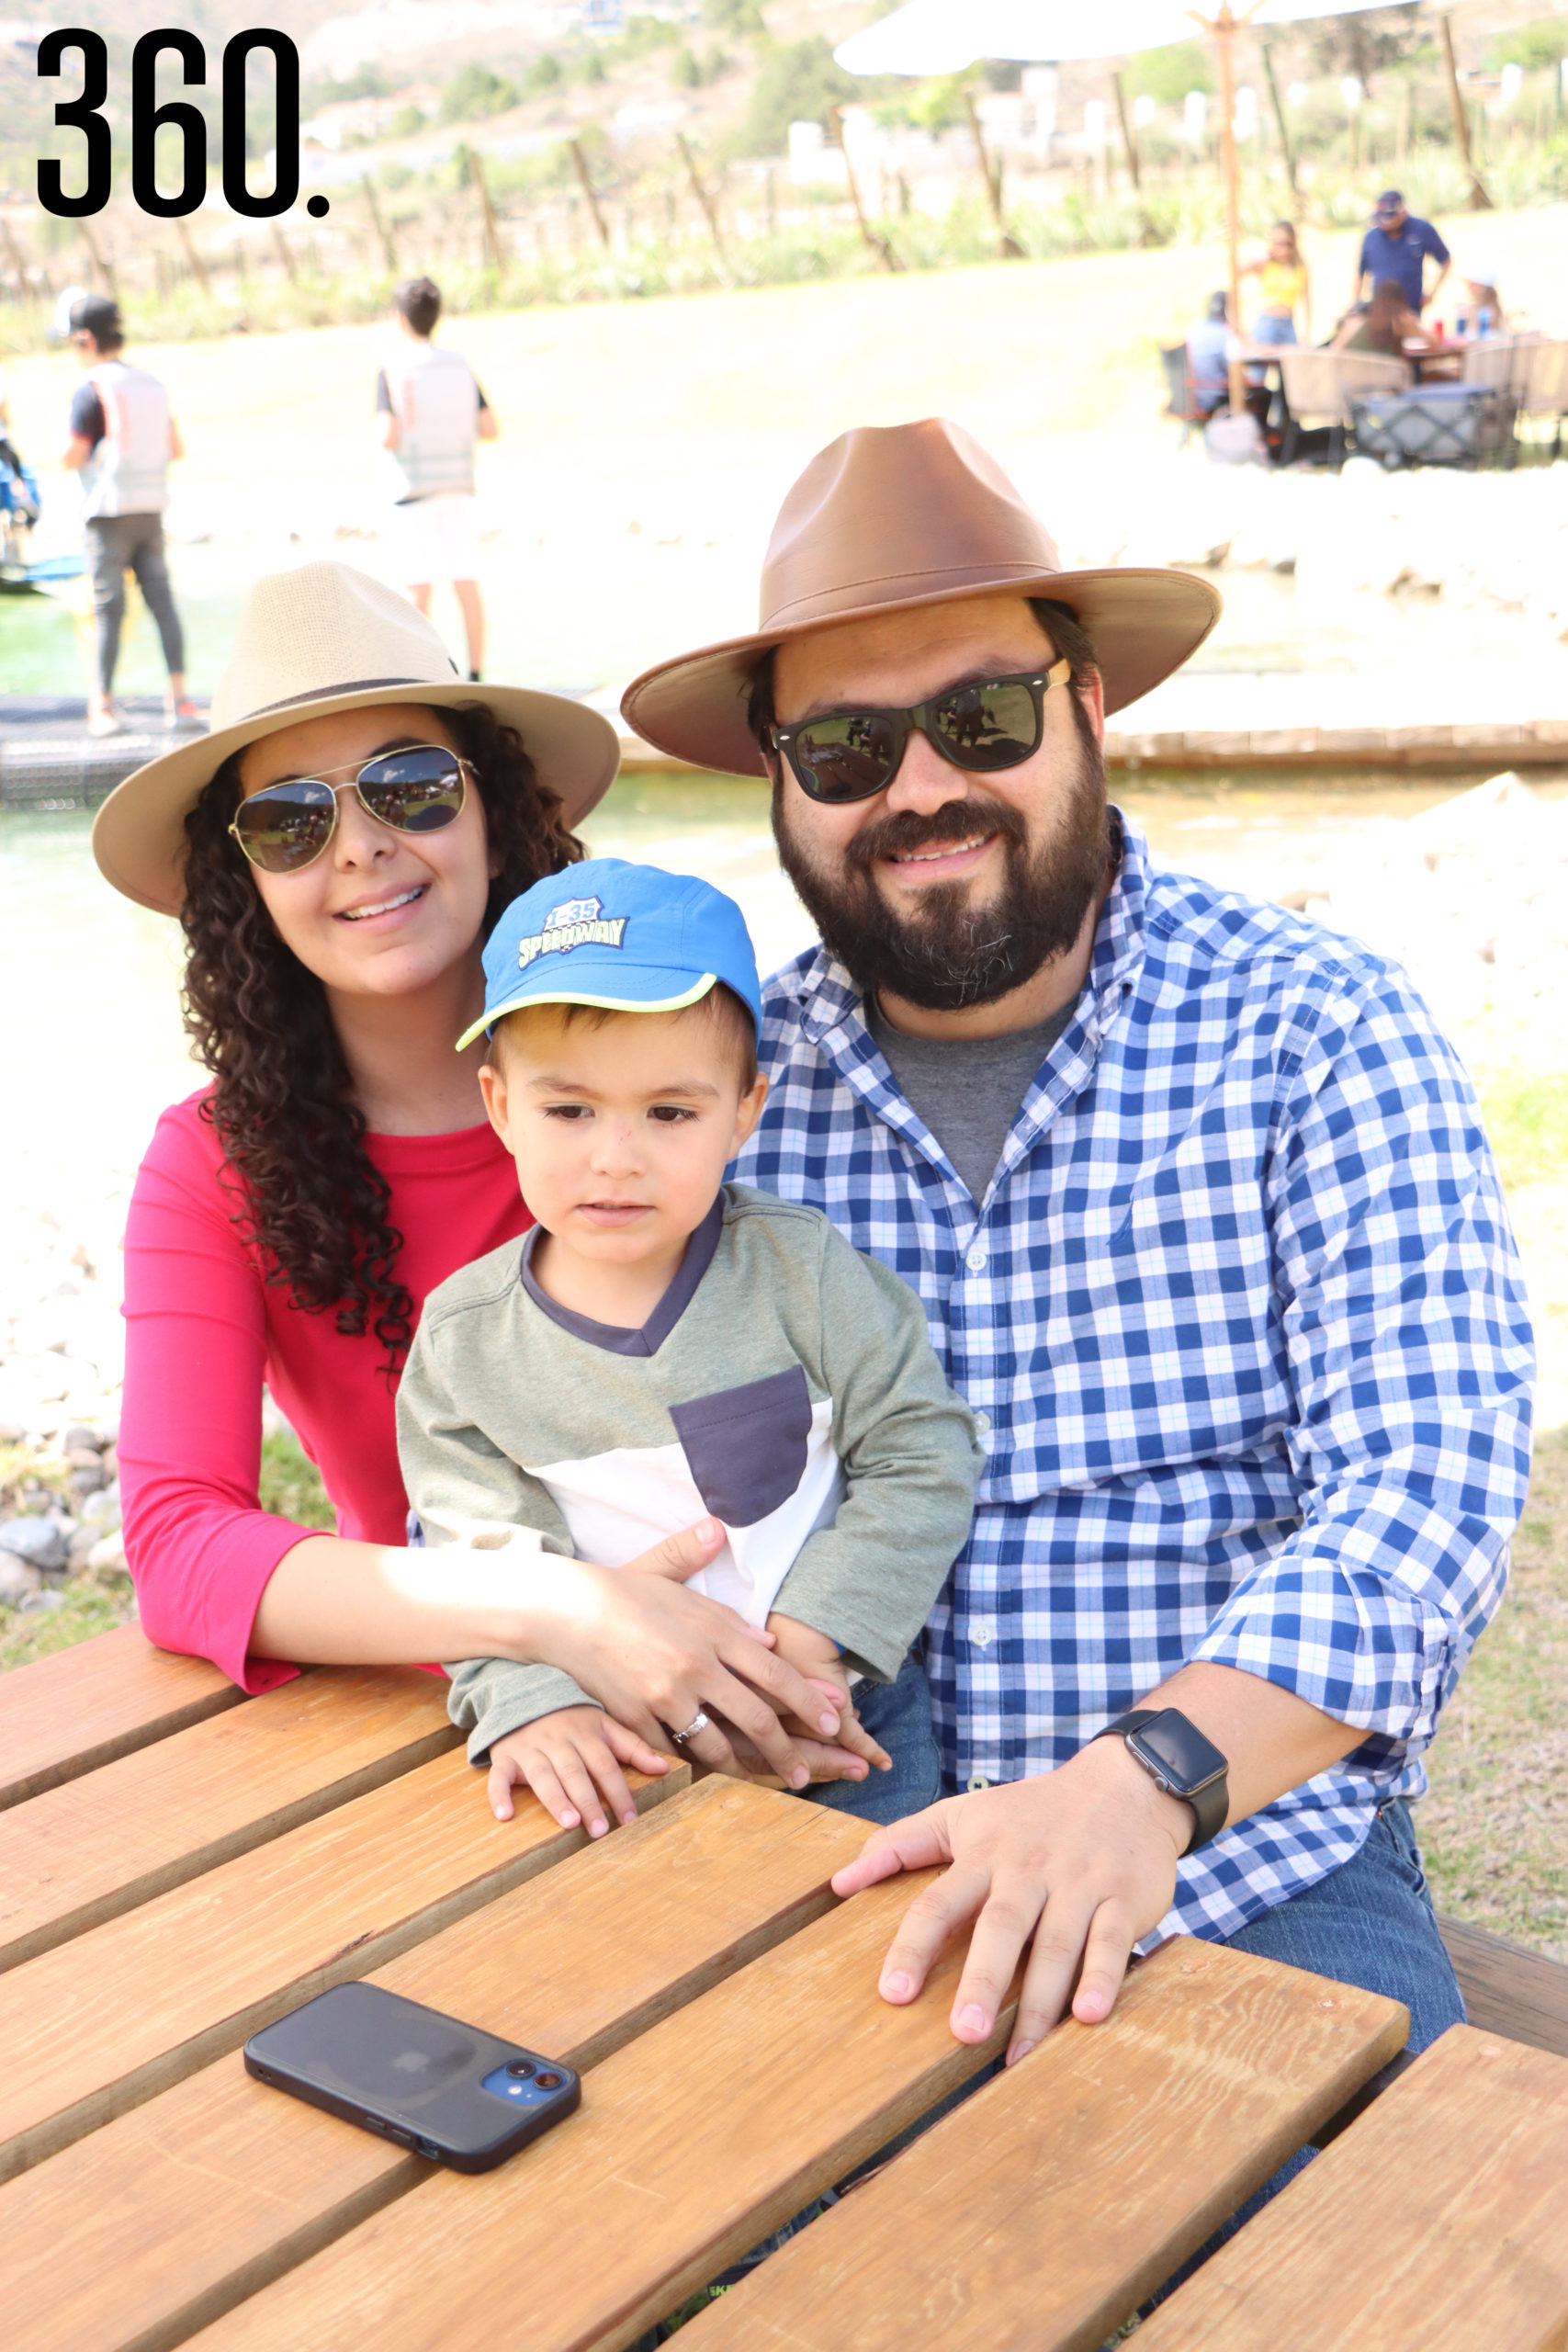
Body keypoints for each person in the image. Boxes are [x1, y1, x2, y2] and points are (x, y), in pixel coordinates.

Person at [621, 420, 1531, 2112]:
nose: (914, 790)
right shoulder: (718, 1101)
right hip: (826, 1862)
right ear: (775, 786)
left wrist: (1144, 1780)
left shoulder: (1313, 1031)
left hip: (1241, 1867)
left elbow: (1427, 1487)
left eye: (977, 719)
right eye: (838, 749)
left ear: (1087, 710)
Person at [94, 559, 868, 1801]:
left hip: (782, 1698)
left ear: (494, 807)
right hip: (467, 1739)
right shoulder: (207, 1169)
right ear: (243, 878)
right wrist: (554, 1614)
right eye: (290, 819)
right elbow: (180, 1543)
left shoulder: (697, 1062)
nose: (359, 849)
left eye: (409, 787)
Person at [397, 858, 981, 1837]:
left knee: (870, 1959)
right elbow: (476, 1563)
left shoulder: (804, 1274)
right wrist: (531, 1700)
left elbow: (926, 1446)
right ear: (500, 1105)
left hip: (833, 1713)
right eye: (569, 1109)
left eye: (669, 1112)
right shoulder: (468, 1346)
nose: (615, 1156)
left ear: (743, 1111)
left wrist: (819, 1631)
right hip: (612, 1740)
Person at [62, 295, 195, 740]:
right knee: (162, 602)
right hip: (151, 508)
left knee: (107, 608)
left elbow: (75, 454)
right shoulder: (152, 385)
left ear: (86, 339)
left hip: (107, 512)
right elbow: (176, 449)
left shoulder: (91, 389)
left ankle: (102, 706)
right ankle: (180, 699)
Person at [378, 276, 497, 683]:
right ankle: (477, 675)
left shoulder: (393, 368)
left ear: (399, 317)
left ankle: (422, 677)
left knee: (418, 589)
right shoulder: (460, 366)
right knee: (466, 584)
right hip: (459, 487)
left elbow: (387, 435)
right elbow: (490, 426)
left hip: (412, 490)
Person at [1353, 188, 1450, 318]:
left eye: (1388, 218)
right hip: (1380, 311)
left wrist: (1432, 291)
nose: (1384, 224)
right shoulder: (1371, 237)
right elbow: (1360, 273)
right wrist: (1356, 303)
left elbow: (1446, 261)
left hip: (1411, 309)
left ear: (1402, 211)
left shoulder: (1422, 229)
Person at [1241, 220, 1310, 348]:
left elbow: (1307, 301)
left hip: (1288, 323)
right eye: (1277, 243)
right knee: (1258, 365)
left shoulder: (1299, 267)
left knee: (1291, 365)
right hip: (1267, 321)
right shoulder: (1266, 263)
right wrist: (1260, 256)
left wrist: (1306, 333)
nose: (1281, 248)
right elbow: (1239, 272)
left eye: (1286, 244)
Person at [1331, 276, 1432, 358]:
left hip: (1354, 380)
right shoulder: (1400, 326)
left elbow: (1333, 353)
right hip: (1386, 380)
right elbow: (1434, 343)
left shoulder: (1354, 324)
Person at [1184, 290, 1236, 417]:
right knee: (1264, 394)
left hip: (1190, 396)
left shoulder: (1193, 330)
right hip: (1215, 396)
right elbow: (1232, 368)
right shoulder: (1225, 334)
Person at [1456, 264, 1506, 339]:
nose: (1469, 288)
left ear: (1483, 287)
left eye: (1473, 284)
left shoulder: (1491, 313)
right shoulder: (1466, 311)